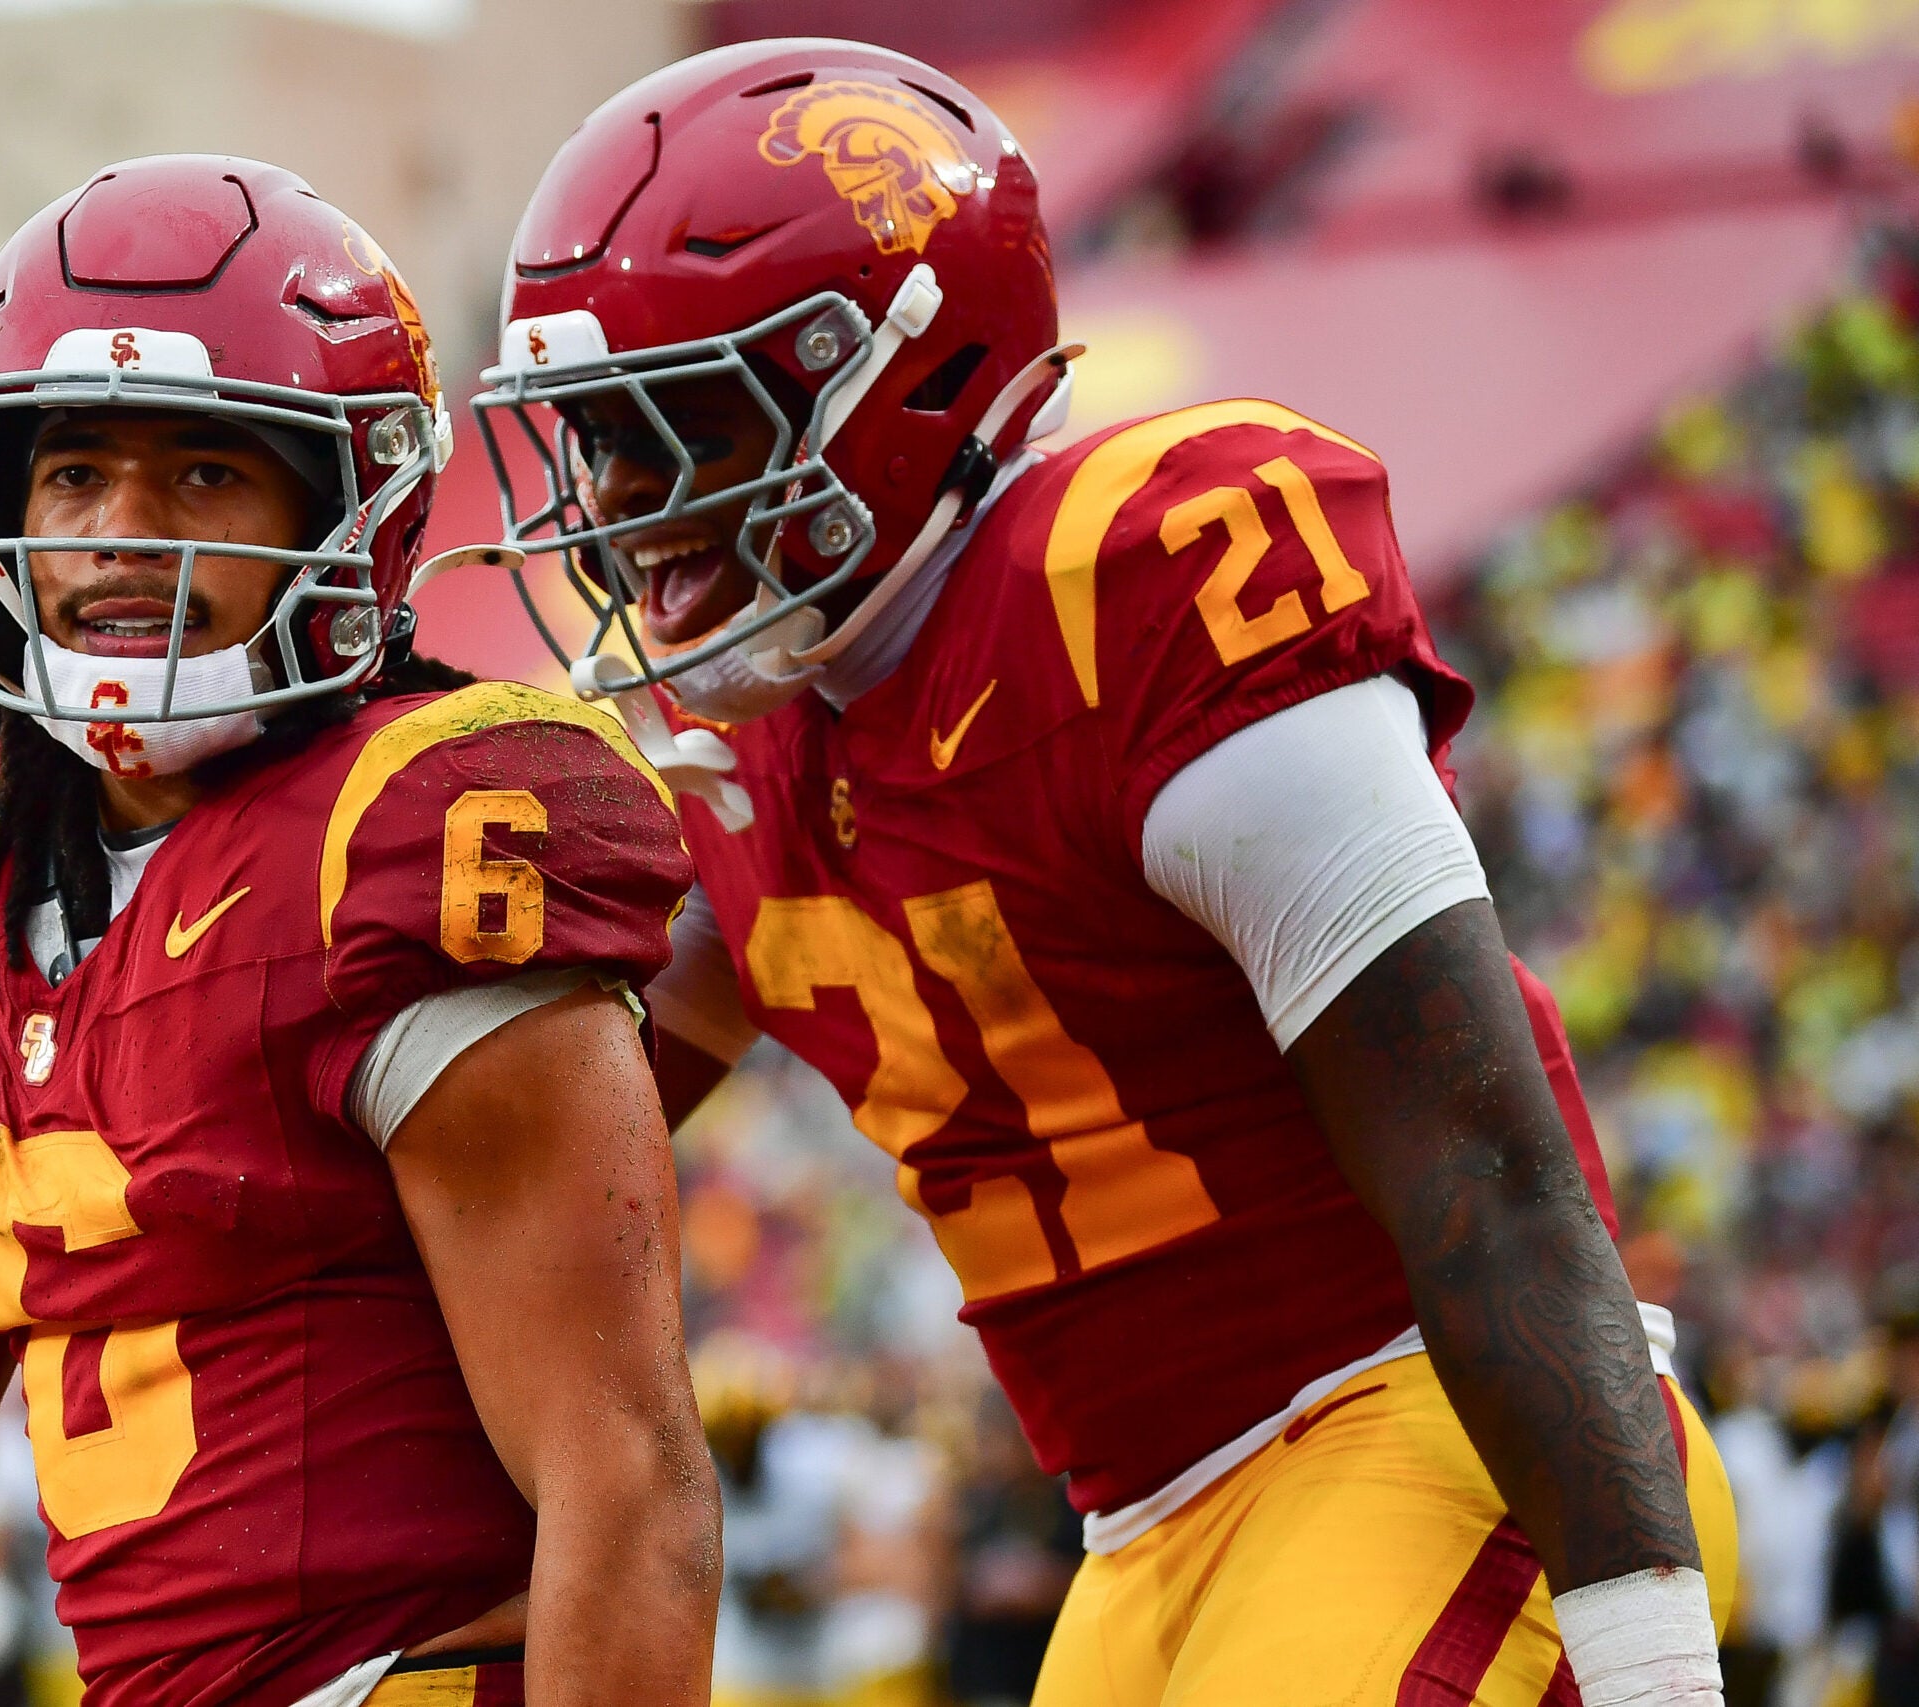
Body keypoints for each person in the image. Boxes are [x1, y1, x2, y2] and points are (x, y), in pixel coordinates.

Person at [471, 39, 1739, 1707]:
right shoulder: (741, 757)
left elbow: (1494, 1173)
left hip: (1428, 1429)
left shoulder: (1141, 590)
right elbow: (529, 1170)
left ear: (907, 375)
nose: (624, 503)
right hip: (1139, 1540)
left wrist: (1651, 1660)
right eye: (598, 438)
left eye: (687, 422)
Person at [0, 155, 718, 1707]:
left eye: (204, 474)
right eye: (72, 476)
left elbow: (628, 1481)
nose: (122, 536)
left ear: (342, 509)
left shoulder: (413, 830)